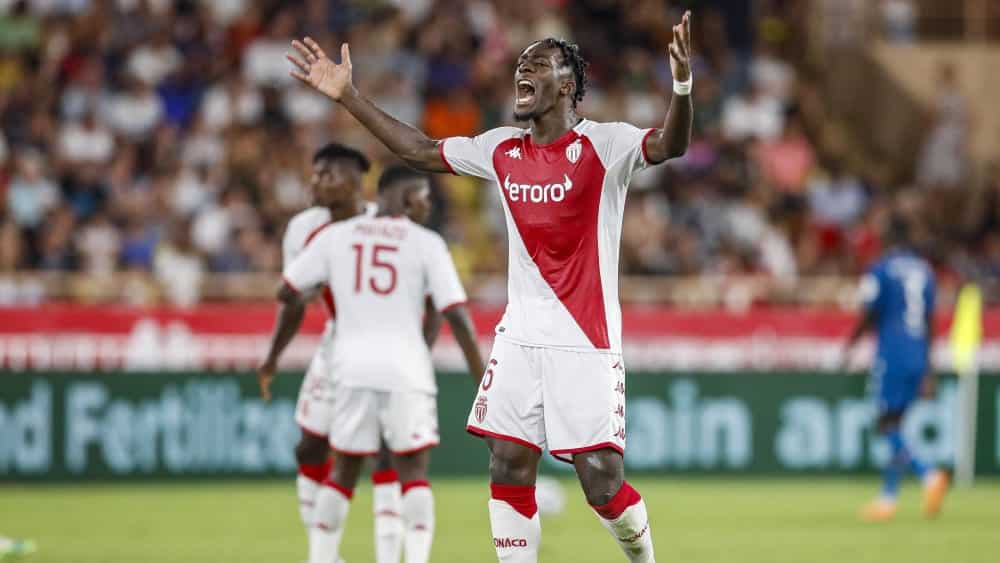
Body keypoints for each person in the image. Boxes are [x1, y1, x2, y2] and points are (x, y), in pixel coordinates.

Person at [286, 10, 694, 562]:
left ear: (567, 85)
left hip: (585, 339)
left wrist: (681, 86)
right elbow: (419, 151)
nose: (522, 70)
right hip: (519, 335)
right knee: (507, 463)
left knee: (601, 482)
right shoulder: (501, 149)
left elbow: (670, 144)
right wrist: (348, 97)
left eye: (538, 64)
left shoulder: (605, 144)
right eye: (521, 63)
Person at [280, 164, 485, 563]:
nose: (428, 205)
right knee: (412, 474)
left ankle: (320, 557)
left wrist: (331, 300)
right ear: (406, 199)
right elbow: (455, 313)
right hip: (405, 367)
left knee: (342, 473)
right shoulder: (426, 243)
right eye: (423, 197)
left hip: (350, 368)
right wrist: (482, 379)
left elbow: (287, 288)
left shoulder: (339, 235)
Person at [257, 144, 438, 563]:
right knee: (310, 447)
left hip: (388, 348)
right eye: (315, 173)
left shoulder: (383, 222)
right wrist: (273, 356)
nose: (315, 182)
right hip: (336, 345)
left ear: (355, 182)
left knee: (388, 454)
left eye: (327, 174)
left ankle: (388, 555)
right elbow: (294, 298)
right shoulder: (302, 229)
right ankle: (325, 553)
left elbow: (426, 296)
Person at [842, 216, 949, 522]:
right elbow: (930, 322)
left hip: (893, 353)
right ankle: (887, 499)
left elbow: (870, 311)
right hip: (918, 354)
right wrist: (929, 369)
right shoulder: (925, 271)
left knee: (886, 424)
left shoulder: (881, 269)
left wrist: (851, 344)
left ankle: (928, 475)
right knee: (896, 426)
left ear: (886, 240)